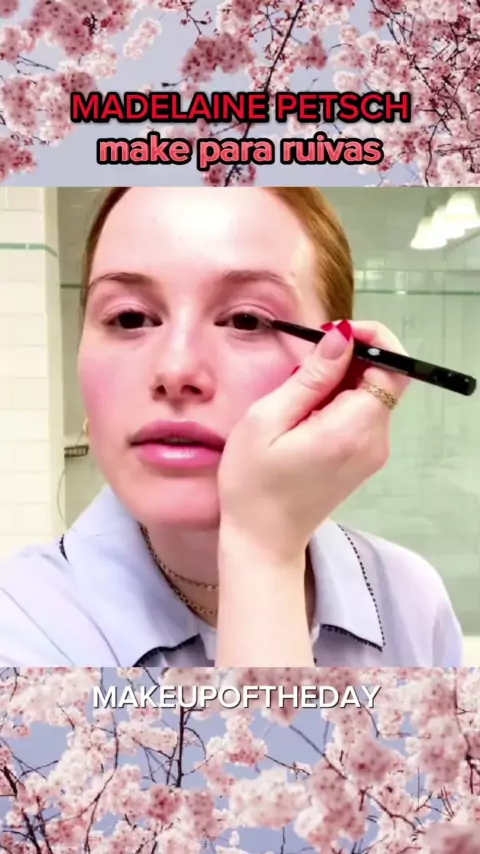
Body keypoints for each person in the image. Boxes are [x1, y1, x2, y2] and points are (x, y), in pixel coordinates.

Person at [0, 187, 463, 668]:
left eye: (246, 320)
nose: (175, 370)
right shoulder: (17, 625)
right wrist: (263, 555)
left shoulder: (411, 602)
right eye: (130, 317)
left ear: (339, 366)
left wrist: (266, 551)